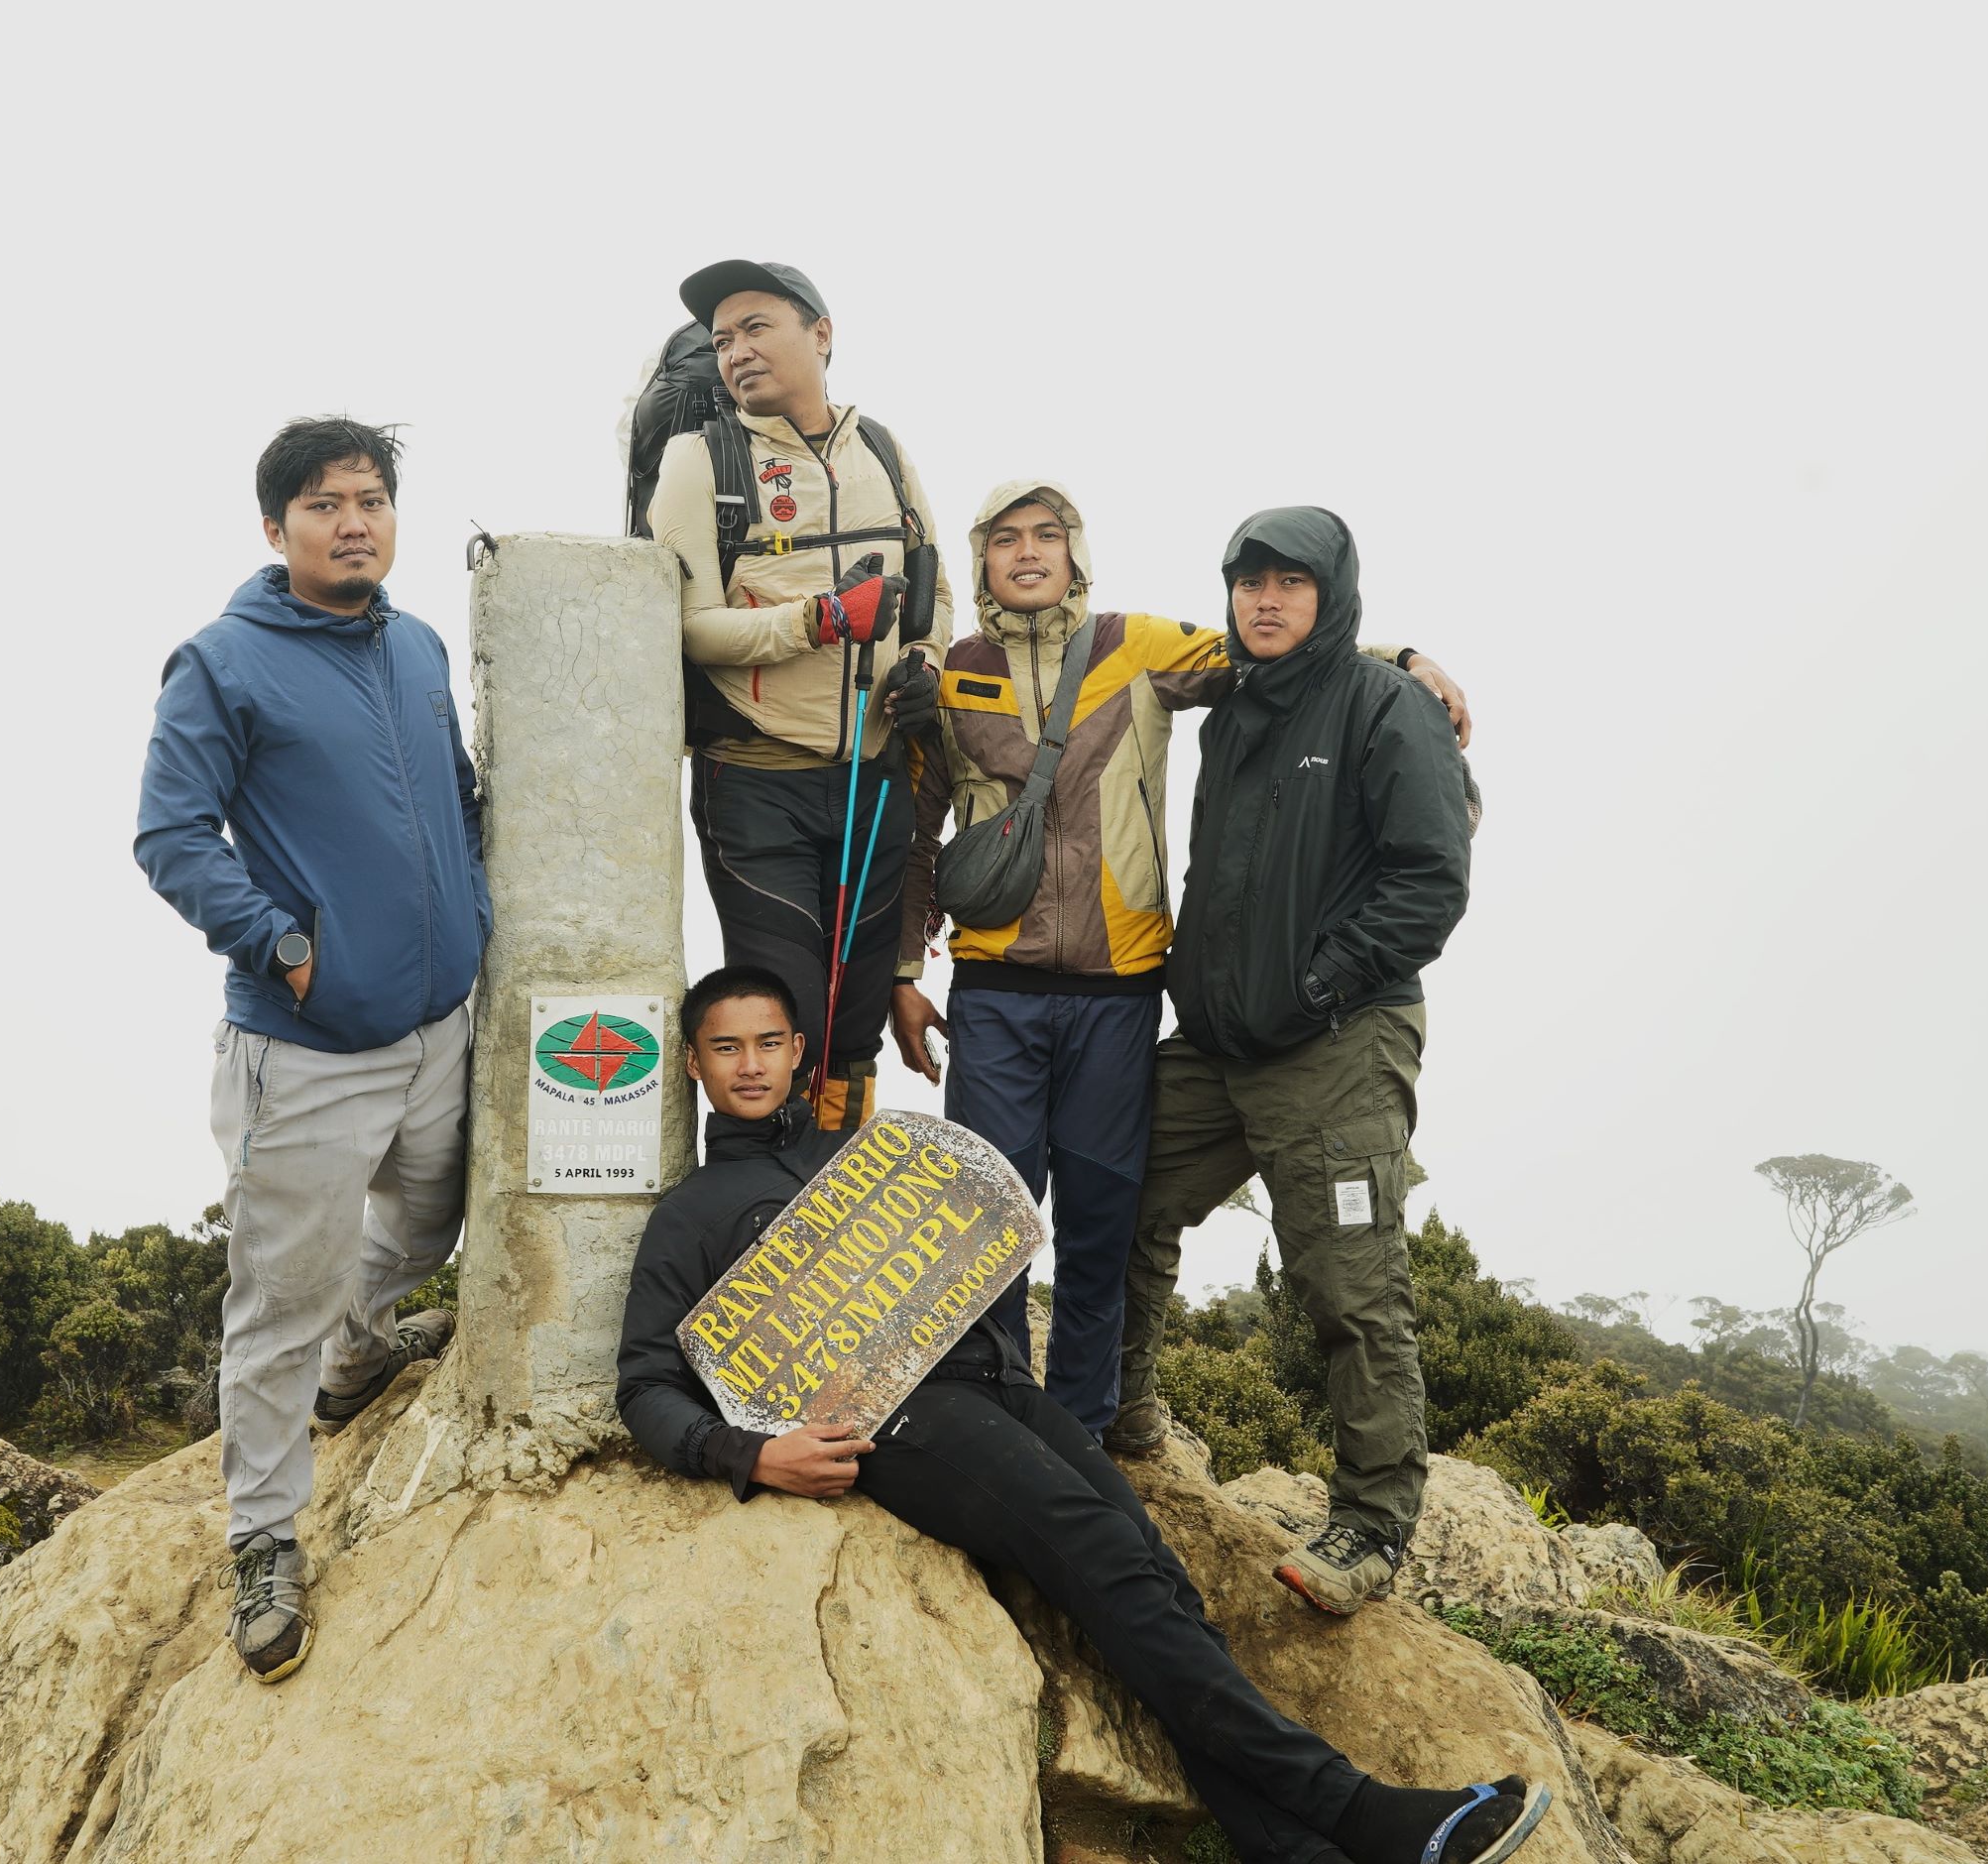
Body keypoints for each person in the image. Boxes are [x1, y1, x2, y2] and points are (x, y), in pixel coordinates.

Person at [615, 966, 1547, 1864]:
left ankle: (1291, 1847)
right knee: (1103, 1554)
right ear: (693, 1062)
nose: (749, 1065)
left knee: (1157, 1577)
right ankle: (1362, 1812)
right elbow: (645, 1383)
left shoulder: (868, 1153)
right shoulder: (690, 1215)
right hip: (896, 1418)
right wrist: (750, 1455)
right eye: (726, 1048)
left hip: (1001, 1385)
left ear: (798, 1052)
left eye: (768, 1043)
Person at [890, 482, 1468, 1440]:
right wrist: (904, 975)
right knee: (986, 1222)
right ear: (980, 559)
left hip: (1122, 995)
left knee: (1101, 1224)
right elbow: (914, 837)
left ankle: (1083, 1431)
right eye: (1005, 539)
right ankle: (991, 1422)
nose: (1028, 552)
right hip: (993, 992)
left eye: (1047, 535)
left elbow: (1274, 651)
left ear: (1076, 552)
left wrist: (1402, 659)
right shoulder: (948, 674)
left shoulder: (1140, 645)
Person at [135, 417, 488, 1682]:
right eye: (326, 504)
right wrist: (287, 947)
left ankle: (361, 1343)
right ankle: (265, 1534)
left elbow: (457, 796)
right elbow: (171, 835)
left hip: (440, 1022)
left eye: (371, 500)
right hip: (306, 1044)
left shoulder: (417, 643)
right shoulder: (222, 662)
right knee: (281, 1296)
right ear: (275, 525)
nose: (354, 523)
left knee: (432, 1217)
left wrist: (473, 909)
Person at [1111, 507, 1474, 1618]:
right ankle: (1120, 1416)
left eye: (1291, 583)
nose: (1265, 601)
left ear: (1332, 595)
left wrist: (1319, 985)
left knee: (1347, 1280)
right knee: (1120, 1187)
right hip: (1221, 1042)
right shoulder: (1236, 702)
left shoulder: (1385, 705)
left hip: (1334, 1042)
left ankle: (1371, 1523)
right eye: (1248, 582)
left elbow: (1430, 879)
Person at [643, 259, 951, 1132]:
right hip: (754, 776)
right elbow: (690, 627)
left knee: (854, 1023)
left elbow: (933, 587)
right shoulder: (698, 460)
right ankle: (755, 1193)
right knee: (783, 1015)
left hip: (873, 770)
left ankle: (836, 1186)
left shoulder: (883, 449)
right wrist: (816, 621)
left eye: (755, 328)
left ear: (821, 334)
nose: (736, 351)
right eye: (722, 340)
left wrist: (923, 662)